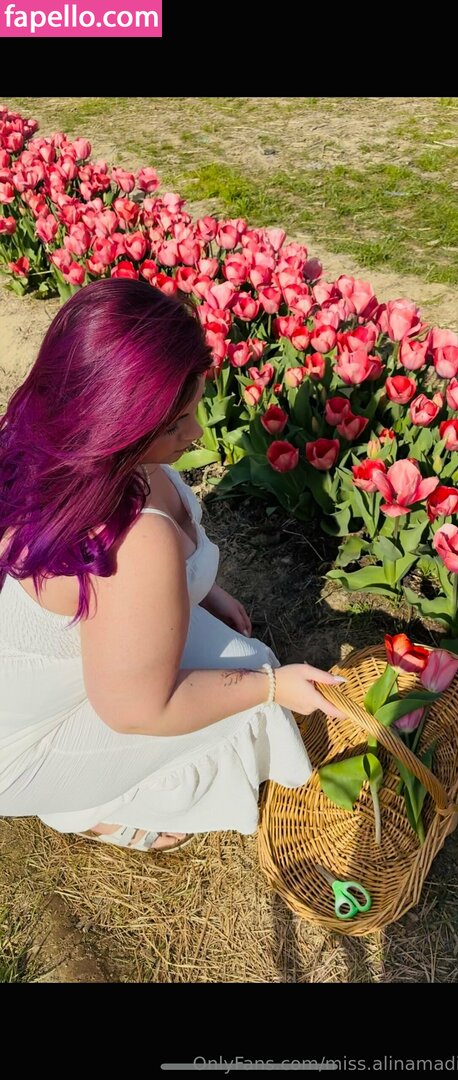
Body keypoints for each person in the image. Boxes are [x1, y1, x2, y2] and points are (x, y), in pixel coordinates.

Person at [0, 278, 344, 853]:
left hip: (38, 671)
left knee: (247, 659)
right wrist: (270, 689)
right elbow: (140, 710)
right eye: (174, 425)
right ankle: (84, 807)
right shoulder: (129, 540)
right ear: (114, 423)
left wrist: (204, 590)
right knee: (252, 697)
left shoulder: (56, 443)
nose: (197, 433)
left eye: (193, 408)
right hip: (18, 742)